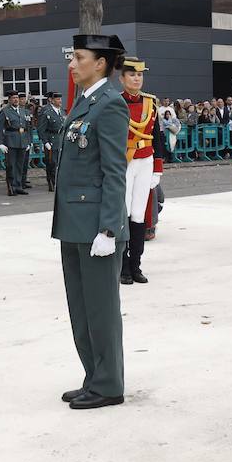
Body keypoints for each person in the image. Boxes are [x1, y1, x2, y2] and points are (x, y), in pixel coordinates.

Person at [53, 33, 130, 410]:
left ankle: (109, 385)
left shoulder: (110, 105)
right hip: (74, 222)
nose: (71, 64)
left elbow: (115, 172)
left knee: (100, 309)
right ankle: (93, 377)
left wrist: (109, 229)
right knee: (81, 309)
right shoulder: (85, 102)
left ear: (100, 63)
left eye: (78, 57)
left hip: (96, 225)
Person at [118, 56, 166, 284]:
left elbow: (157, 137)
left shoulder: (151, 103)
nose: (137, 78)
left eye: (140, 75)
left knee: (139, 214)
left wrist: (158, 168)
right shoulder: (115, 102)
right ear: (122, 78)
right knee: (123, 213)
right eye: (132, 74)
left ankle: (136, 265)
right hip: (123, 162)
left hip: (145, 160)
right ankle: (122, 266)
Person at [0, 89, 32, 196]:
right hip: (11, 141)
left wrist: (28, 142)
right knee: (11, 165)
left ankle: (18, 186)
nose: (16, 100)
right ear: (9, 100)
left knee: (20, 165)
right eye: (13, 98)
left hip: (22, 141)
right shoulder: (5, 111)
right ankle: (11, 187)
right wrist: (0, 143)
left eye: (17, 98)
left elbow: (28, 127)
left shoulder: (24, 111)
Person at [39, 91, 65, 191]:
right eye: (58, 99)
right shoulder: (47, 112)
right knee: (52, 163)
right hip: (51, 140)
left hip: (60, 139)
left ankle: (59, 181)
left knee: (60, 163)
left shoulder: (61, 111)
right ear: (52, 101)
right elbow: (41, 129)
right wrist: (45, 142)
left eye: (60, 99)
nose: (60, 101)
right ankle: (52, 182)